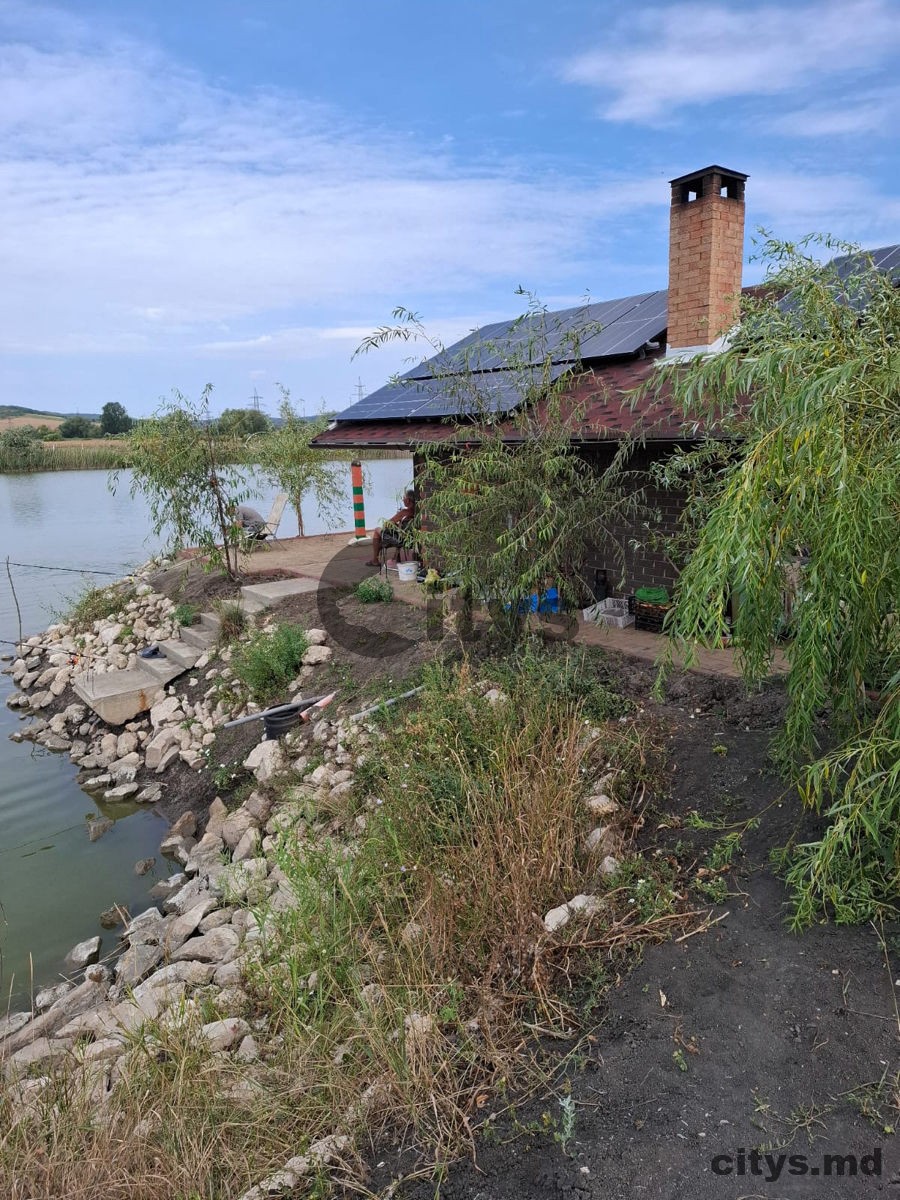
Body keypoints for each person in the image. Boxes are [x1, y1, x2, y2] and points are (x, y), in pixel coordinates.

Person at [366, 488, 415, 566]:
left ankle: (375, 560)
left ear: (408, 500)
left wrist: (397, 520)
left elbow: (387, 524)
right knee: (381, 537)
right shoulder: (417, 512)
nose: (402, 500)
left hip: (400, 540)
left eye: (403, 498)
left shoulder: (404, 512)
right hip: (412, 540)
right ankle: (393, 558)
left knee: (377, 530)